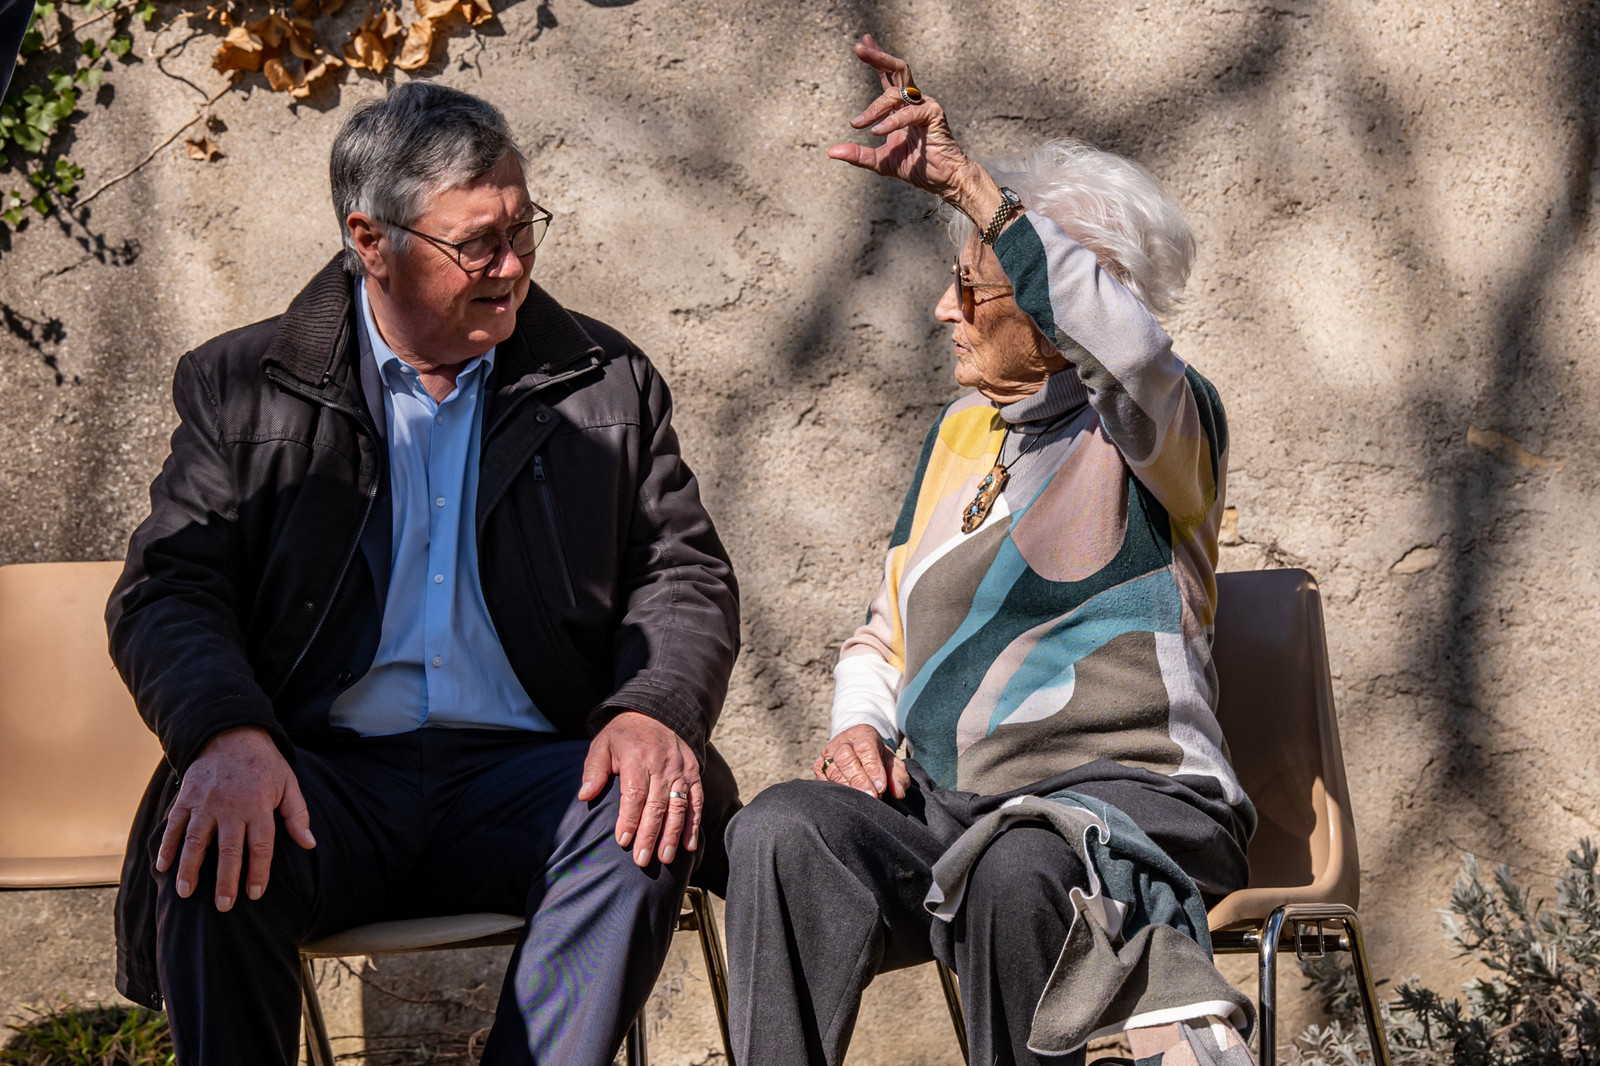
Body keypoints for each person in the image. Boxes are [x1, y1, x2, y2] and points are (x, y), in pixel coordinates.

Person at [106, 81, 740, 1066]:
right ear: (371, 240)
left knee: (643, 813)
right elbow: (171, 588)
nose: (513, 265)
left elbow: (681, 571)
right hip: (321, 772)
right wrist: (227, 734)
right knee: (215, 834)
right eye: (477, 243)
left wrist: (653, 710)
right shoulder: (241, 384)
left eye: (523, 229)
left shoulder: (603, 380)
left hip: (529, 770)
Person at [724, 36, 1259, 1066]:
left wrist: (977, 189)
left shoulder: (1161, 430)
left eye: (975, 286)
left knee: (1015, 866)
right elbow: (883, 633)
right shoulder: (961, 433)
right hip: (952, 806)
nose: (945, 308)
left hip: (1128, 800)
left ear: (1066, 305)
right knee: (782, 829)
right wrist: (858, 726)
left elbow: (1131, 349)